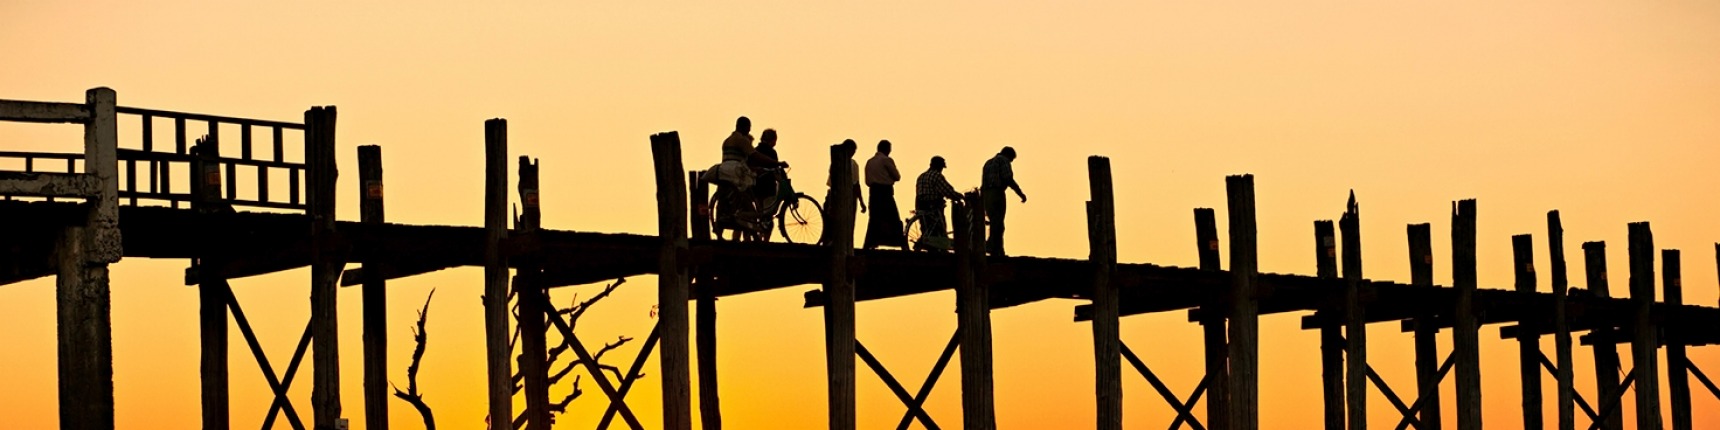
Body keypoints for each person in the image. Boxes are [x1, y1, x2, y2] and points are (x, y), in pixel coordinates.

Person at [980, 146, 1026, 257]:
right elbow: (1008, 179)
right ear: (1009, 155)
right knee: (998, 224)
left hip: (986, 195)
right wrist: (1020, 193)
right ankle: (996, 250)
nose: (1011, 162)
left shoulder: (988, 163)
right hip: (997, 193)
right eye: (1012, 159)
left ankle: (992, 247)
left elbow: (983, 183)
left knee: (993, 222)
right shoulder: (1004, 161)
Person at [862, 140, 905, 249]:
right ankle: (901, 243)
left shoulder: (869, 162)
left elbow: (867, 181)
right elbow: (897, 176)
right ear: (887, 149)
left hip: (873, 192)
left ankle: (869, 243)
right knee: (894, 218)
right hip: (885, 192)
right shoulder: (886, 160)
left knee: (874, 219)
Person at [914, 156, 963, 251]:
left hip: (920, 205)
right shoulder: (937, 175)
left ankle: (928, 245)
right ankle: (942, 247)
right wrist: (958, 196)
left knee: (926, 227)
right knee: (940, 227)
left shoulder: (921, 176)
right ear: (939, 166)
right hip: (933, 205)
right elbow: (947, 190)